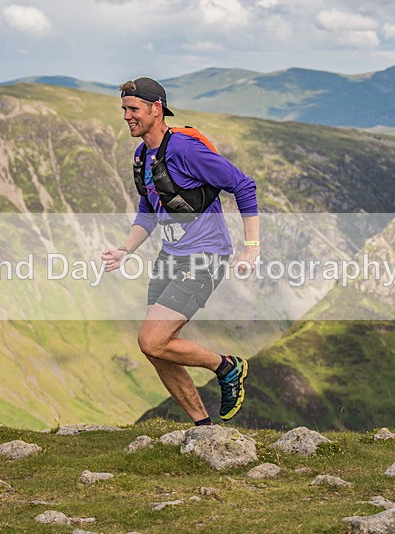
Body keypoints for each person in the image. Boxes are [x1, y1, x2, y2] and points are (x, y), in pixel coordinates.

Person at [101, 77, 260, 425]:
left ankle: (227, 366)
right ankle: (202, 426)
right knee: (156, 349)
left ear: (156, 109)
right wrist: (125, 250)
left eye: (133, 109)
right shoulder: (142, 155)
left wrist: (251, 249)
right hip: (170, 257)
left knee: (151, 339)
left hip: (205, 256)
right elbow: (148, 210)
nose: (127, 116)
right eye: (124, 110)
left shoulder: (186, 150)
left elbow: (243, 186)